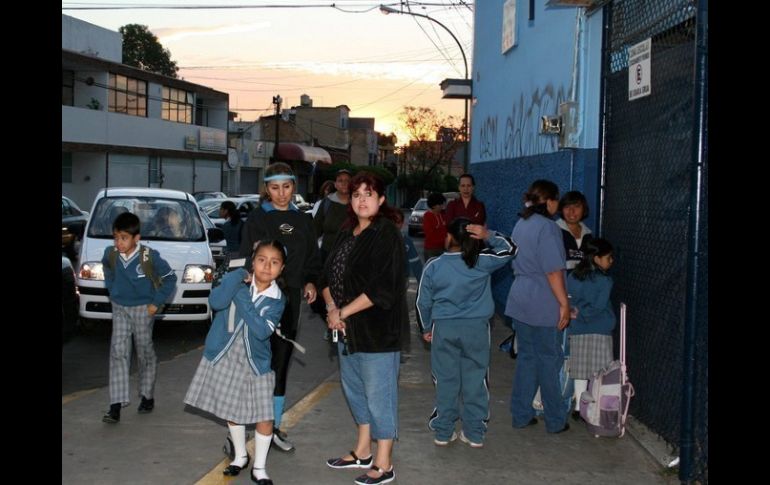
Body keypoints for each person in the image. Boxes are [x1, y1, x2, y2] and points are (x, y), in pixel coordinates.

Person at [320, 172, 406, 485]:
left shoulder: (386, 234)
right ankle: (362, 451)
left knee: (379, 396)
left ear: (381, 199)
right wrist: (332, 309)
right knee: (355, 391)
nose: (362, 200)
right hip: (344, 329)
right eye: (356, 194)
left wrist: (342, 310)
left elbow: (384, 287)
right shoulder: (347, 233)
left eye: (369, 194)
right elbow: (326, 276)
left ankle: (384, 463)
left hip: (377, 331)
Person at [184, 240, 287, 485]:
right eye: (262, 260)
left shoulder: (277, 299)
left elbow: (262, 331)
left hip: (257, 363)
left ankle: (259, 467)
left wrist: (241, 297)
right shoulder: (236, 281)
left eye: (274, 262)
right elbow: (216, 301)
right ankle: (240, 456)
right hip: (225, 355)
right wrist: (237, 277)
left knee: (265, 415)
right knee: (232, 410)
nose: (266, 266)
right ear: (252, 262)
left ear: (281, 269)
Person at [238, 162, 322, 452]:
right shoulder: (257, 219)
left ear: (294, 187)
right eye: (275, 187)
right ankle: (237, 430)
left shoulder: (304, 220)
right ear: (266, 189)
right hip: (261, 299)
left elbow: (313, 257)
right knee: (254, 362)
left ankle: (272, 426)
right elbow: (246, 258)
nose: (281, 193)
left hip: (292, 298)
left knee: (281, 361)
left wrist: (310, 281)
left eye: (286, 186)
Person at [416, 217, 516, 448]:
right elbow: (511, 249)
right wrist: (488, 235)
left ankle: (443, 432)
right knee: (476, 379)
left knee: (446, 380)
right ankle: (474, 433)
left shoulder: (434, 265)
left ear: (448, 237)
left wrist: (426, 327)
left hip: (444, 328)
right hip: (477, 329)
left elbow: (423, 302)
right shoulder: (481, 261)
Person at [504, 179, 571, 434]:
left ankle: (521, 415)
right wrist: (564, 303)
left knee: (527, 359)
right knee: (548, 361)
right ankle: (555, 420)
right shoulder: (549, 228)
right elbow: (553, 271)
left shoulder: (522, 223)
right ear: (551, 201)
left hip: (520, 298)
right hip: (543, 300)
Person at [100, 212, 177, 423]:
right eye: (116, 237)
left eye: (124, 238)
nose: (119, 242)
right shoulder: (111, 254)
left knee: (144, 351)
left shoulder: (149, 257)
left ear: (136, 238)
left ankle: (147, 395)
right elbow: (107, 269)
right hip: (120, 308)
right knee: (118, 351)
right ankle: (115, 406)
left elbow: (170, 278)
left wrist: (156, 303)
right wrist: (112, 288)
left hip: (144, 309)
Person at [566, 238, 616, 421]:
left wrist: (575, 312)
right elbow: (599, 306)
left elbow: (569, 299)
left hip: (578, 328)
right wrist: (584, 313)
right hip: (600, 328)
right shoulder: (605, 280)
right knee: (599, 369)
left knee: (579, 367)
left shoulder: (572, 276)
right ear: (596, 258)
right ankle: (596, 407)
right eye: (608, 257)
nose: (611, 261)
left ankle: (579, 405)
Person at [312, 169, 352, 323]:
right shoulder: (327, 203)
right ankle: (330, 321)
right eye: (340, 180)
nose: (344, 183)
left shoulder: (357, 203)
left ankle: (345, 321)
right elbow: (314, 229)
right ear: (335, 184)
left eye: (347, 180)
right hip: (327, 256)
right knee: (326, 291)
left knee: (346, 293)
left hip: (349, 257)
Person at [556, 191, 593, 271]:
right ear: (561, 209)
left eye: (577, 206)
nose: (571, 211)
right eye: (567, 207)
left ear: (584, 209)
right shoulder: (554, 230)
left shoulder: (588, 234)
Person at [422, 192, 447, 261]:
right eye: (440, 204)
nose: (442, 206)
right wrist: (444, 240)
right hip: (431, 249)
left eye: (442, 203)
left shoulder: (443, 215)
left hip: (443, 248)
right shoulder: (427, 216)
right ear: (434, 205)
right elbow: (429, 234)